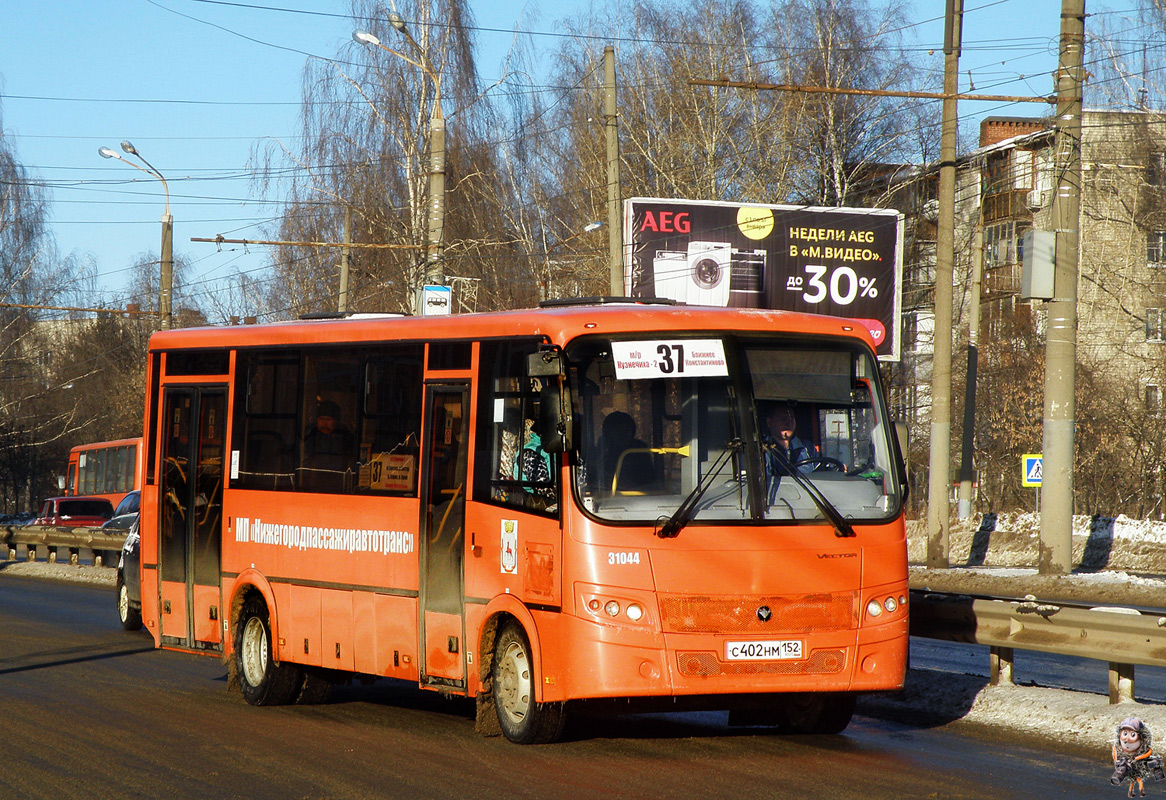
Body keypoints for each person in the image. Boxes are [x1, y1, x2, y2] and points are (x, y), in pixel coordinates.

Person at [599, 411, 656, 494]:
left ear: (632, 431)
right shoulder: (602, 450)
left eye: (627, 430)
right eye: (618, 430)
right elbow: (596, 481)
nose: (623, 434)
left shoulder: (639, 450)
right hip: (606, 497)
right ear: (608, 433)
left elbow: (651, 481)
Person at [302, 399, 355, 489]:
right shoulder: (310, 433)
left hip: (338, 478)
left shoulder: (345, 435)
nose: (324, 423)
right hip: (313, 478)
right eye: (321, 419)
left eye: (328, 420)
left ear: (336, 421)